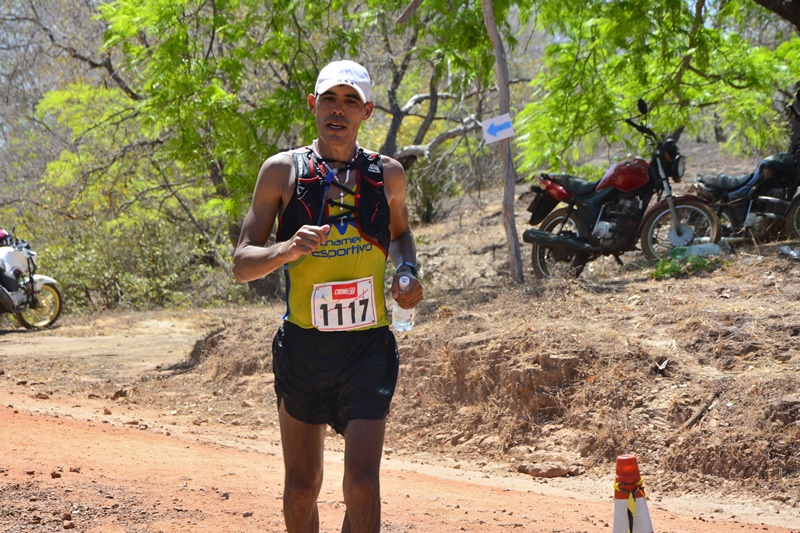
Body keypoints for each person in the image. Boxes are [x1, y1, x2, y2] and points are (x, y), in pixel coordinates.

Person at [232, 59, 423, 533]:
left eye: (351, 101)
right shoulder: (281, 171)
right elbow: (241, 263)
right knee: (301, 487)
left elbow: (401, 236)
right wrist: (285, 249)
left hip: (367, 348)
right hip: (303, 346)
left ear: (367, 111)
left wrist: (406, 273)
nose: (339, 111)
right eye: (330, 100)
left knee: (362, 484)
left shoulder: (388, 174)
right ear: (313, 105)